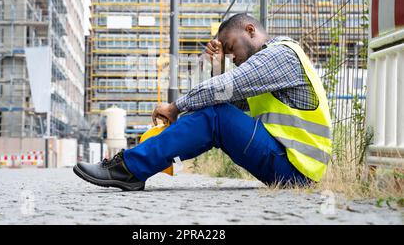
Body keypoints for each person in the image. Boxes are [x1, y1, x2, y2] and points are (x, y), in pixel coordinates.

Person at [73, 14, 332, 191]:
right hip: (288, 165)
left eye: (231, 47)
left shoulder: (280, 55)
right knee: (213, 113)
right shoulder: (268, 63)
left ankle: (129, 168)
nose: (232, 57)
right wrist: (218, 67)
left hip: (295, 170)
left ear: (250, 31)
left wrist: (175, 107)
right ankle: (134, 166)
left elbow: (224, 94)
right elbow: (234, 102)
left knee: (214, 115)